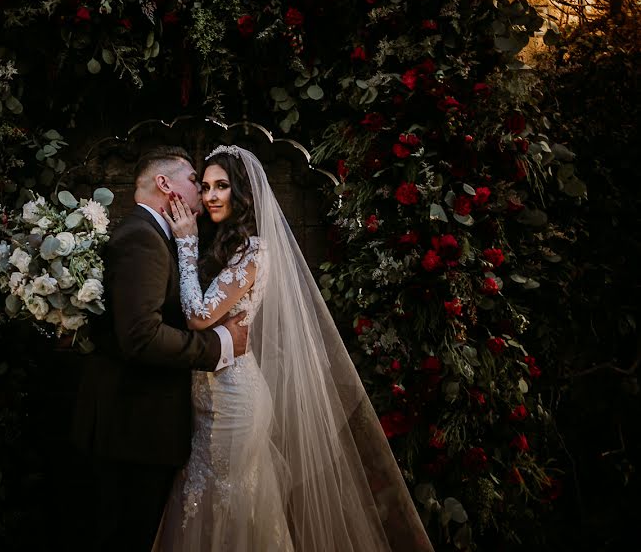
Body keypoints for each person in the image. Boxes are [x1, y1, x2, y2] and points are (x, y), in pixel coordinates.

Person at [153, 145, 434, 551]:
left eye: (223, 186)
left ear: (243, 193)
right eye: (207, 186)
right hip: (207, 394)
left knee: (230, 500)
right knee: (204, 494)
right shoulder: (223, 245)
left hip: (235, 398)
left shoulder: (254, 250)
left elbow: (197, 315)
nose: (211, 195)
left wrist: (184, 242)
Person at [71, 145, 250, 551]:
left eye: (215, 186)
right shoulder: (142, 239)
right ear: (165, 184)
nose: (203, 195)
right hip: (132, 428)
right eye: (195, 181)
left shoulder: (150, 235)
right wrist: (220, 344)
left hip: (137, 426)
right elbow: (142, 336)